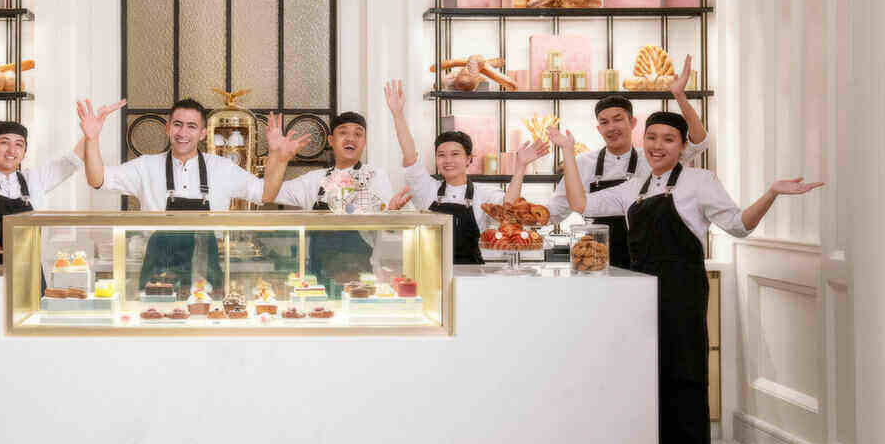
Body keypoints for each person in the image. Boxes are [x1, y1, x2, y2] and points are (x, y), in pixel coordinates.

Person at [558, 114, 823, 444]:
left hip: (682, 289)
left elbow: (739, 226)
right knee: (656, 383)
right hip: (644, 293)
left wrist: (771, 192)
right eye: (651, 138)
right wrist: (567, 152)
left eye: (668, 139)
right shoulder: (634, 187)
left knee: (688, 381)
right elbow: (580, 204)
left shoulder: (700, 182)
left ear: (683, 146)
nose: (657, 146)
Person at [78, 97, 307, 293]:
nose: (183, 133)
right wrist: (92, 138)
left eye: (192, 126)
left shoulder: (222, 168)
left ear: (203, 133)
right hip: (158, 272)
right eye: (177, 125)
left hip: (206, 271)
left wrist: (279, 158)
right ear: (168, 128)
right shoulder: (145, 166)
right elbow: (97, 179)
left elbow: (266, 194)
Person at [544, 56, 711, 268]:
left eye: (618, 119)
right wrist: (519, 215)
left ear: (632, 123)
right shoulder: (582, 163)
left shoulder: (656, 157)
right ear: (599, 129)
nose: (611, 127)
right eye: (604, 122)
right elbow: (556, 210)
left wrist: (680, 97)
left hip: (647, 258)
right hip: (597, 261)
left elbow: (700, 142)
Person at [385, 80, 546, 264]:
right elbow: (409, 154)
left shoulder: (483, 193)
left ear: (469, 159)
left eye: (455, 154)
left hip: (473, 272)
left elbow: (509, 207)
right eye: (441, 155)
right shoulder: (426, 188)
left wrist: (520, 166)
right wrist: (397, 114)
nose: (447, 160)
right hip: (431, 270)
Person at [0, 49, 89, 265]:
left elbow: (71, 161)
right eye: (4, 142)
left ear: (24, 152)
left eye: (19, 144)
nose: (11, 150)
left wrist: (91, 134)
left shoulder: (34, 180)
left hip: (30, 273)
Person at [269, 110, 400, 288]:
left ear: (364, 141)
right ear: (331, 140)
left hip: (362, 279)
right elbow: (270, 193)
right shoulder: (314, 180)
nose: (350, 138)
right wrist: (278, 157)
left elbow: (389, 223)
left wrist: (392, 214)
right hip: (318, 281)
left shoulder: (376, 177)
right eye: (343, 132)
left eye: (358, 134)